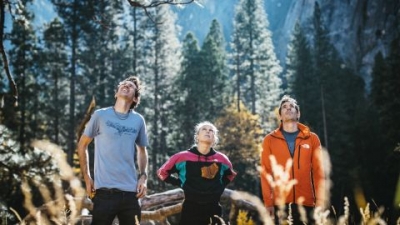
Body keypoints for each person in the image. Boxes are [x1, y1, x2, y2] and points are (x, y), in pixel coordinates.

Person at [77, 75, 149, 225]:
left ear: (135, 99)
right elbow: (82, 144)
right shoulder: (100, 115)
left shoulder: (138, 120)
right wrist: (87, 176)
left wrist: (143, 176)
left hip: (131, 193)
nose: (126, 86)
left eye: (131, 86)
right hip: (104, 192)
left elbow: (142, 150)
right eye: (123, 84)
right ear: (116, 93)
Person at [260, 95, 325, 224]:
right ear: (280, 115)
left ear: (298, 113)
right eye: (284, 107)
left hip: (307, 202)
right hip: (281, 203)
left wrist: (320, 201)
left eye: (292, 107)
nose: (288, 109)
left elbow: (319, 172)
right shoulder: (269, 140)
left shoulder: (312, 139)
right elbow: (265, 173)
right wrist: (268, 202)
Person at [157, 121, 237, 225]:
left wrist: (219, 187)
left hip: (213, 208)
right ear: (197, 136)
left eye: (211, 130)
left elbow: (230, 175)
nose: (208, 131)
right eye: (204, 129)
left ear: (214, 139)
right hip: (191, 209)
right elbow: (162, 172)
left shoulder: (222, 159)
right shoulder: (182, 157)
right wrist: (180, 183)